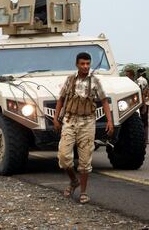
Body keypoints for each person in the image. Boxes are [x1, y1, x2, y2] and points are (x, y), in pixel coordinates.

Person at [53, 52, 113, 204]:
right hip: (70, 121)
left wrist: (109, 121)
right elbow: (60, 99)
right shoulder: (70, 80)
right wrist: (55, 118)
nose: (86, 66)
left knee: (85, 160)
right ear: (77, 64)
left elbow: (104, 101)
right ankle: (74, 181)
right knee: (64, 158)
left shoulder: (95, 82)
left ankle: (84, 192)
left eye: (88, 64)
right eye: (82, 64)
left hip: (87, 123)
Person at [136, 68, 149, 144]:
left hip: (143, 102)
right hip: (146, 102)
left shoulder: (140, 80)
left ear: (140, 73)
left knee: (142, 120)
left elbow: (142, 94)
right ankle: (146, 139)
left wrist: (143, 105)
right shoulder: (146, 80)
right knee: (145, 120)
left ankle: (144, 139)